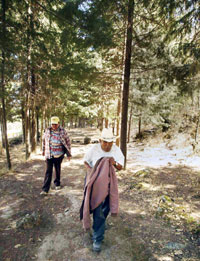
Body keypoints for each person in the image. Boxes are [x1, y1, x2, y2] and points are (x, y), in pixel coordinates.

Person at [80, 128, 124, 252]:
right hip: (94, 183)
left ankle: (98, 224)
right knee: (96, 208)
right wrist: (91, 172)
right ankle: (97, 239)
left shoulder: (115, 150)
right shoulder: (94, 149)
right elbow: (85, 161)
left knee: (106, 208)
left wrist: (113, 163)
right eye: (105, 142)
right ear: (100, 140)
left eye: (110, 142)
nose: (107, 145)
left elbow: (121, 166)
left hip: (109, 184)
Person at [40, 116, 71, 196]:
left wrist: (68, 153)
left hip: (59, 154)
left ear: (58, 123)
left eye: (55, 124)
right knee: (48, 171)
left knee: (57, 169)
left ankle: (57, 183)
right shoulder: (47, 130)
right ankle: (45, 189)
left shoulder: (63, 131)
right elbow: (44, 141)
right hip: (49, 154)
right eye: (52, 124)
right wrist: (43, 150)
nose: (54, 126)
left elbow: (68, 141)